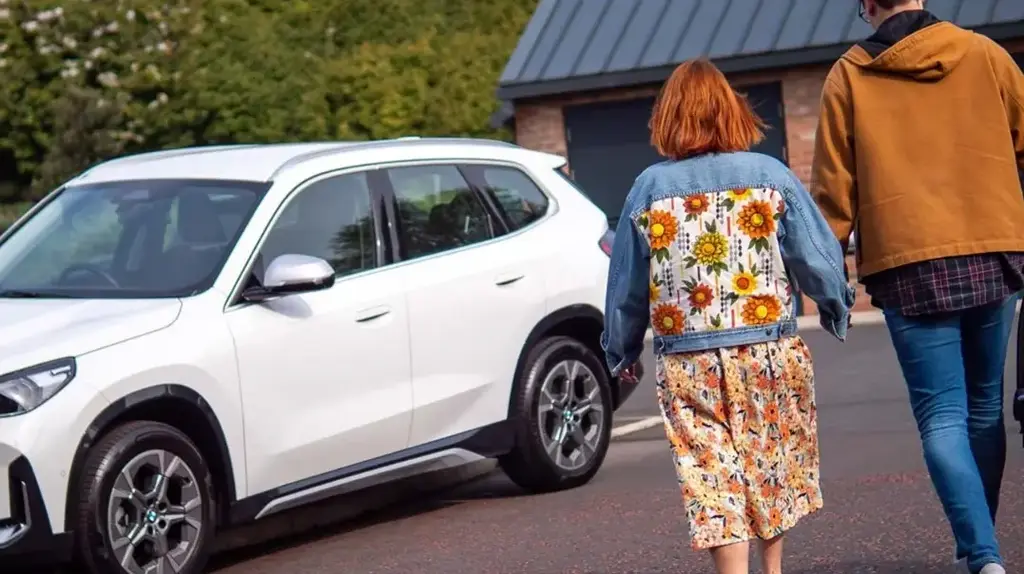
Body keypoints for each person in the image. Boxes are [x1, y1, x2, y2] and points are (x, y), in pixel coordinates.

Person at [602, 59, 854, 574]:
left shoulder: (648, 188)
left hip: (688, 363)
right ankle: (774, 568)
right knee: (771, 463)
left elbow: (626, 283)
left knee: (710, 475)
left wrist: (622, 348)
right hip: (768, 352)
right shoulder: (769, 175)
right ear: (732, 111)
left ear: (668, 117)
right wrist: (834, 304)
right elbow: (817, 256)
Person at [811, 1, 1024, 573]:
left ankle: (982, 553)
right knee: (983, 409)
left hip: (907, 262)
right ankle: (982, 550)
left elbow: (834, 192)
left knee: (942, 417)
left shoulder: (849, 76)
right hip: (994, 247)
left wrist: (821, 278)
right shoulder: (985, 55)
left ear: (866, 6)